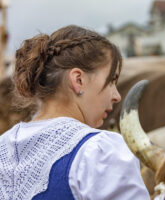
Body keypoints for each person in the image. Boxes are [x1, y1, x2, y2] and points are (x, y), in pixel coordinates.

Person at [0, 25, 150, 200]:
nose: (116, 96)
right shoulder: (99, 152)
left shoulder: (3, 146)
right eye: (111, 81)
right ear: (78, 80)